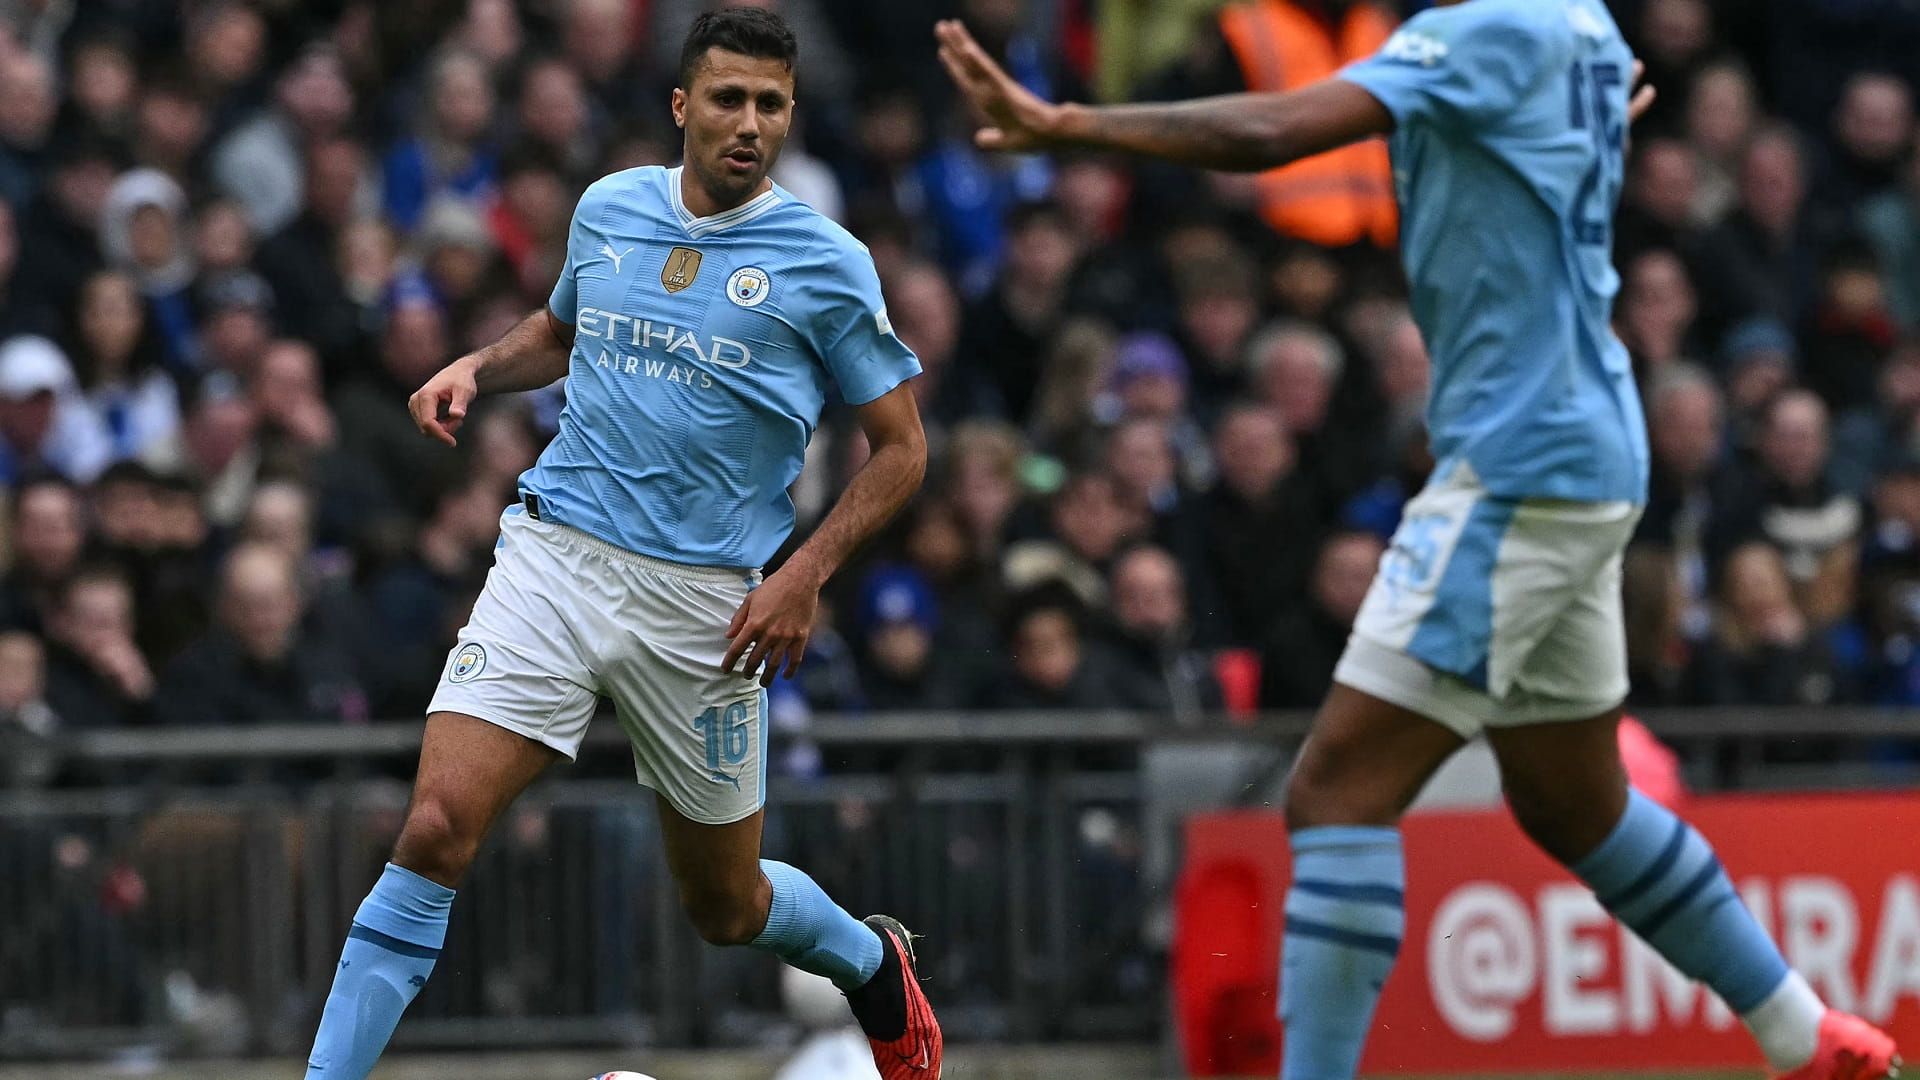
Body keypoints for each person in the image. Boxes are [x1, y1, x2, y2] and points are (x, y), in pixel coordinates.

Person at [934, 3, 1895, 1079]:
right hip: (1584, 445)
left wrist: (1072, 125)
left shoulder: (1483, 28)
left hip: (1521, 462)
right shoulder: (1577, 23)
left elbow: (1273, 132)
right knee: (1576, 806)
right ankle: (1807, 1036)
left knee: (1337, 793)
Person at [302, 11, 942, 1080]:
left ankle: (871, 964)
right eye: (729, 98)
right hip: (556, 558)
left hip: (709, 606)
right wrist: (477, 367)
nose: (750, 123)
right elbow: (563, 331)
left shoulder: (827, 262)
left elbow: (903, 449)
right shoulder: (610, 206)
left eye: (771, 104)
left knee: (724, 906)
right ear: (683, 106)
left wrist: (802, 574)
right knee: (436, 827)